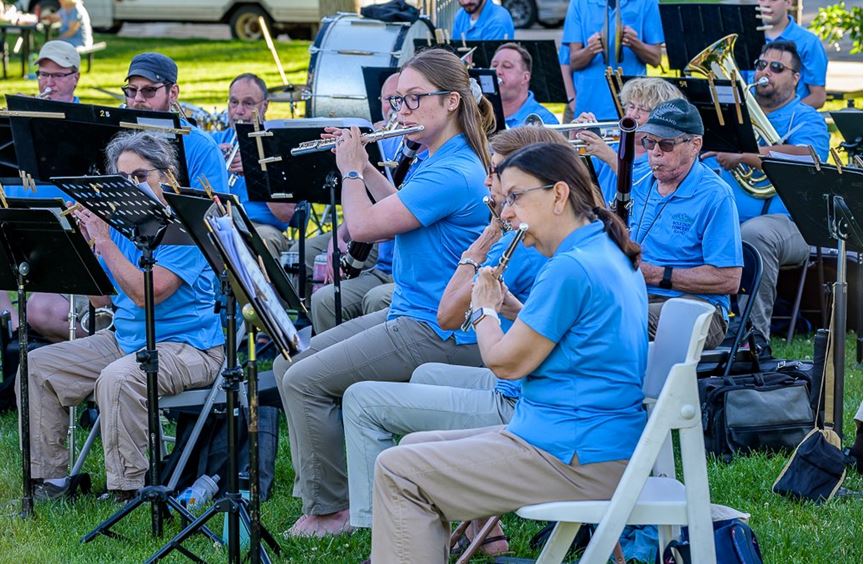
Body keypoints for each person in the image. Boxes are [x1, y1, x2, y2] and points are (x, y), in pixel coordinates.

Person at [369, 141, 648, 561]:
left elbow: (504, 363)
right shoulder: (601, 250)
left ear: (559, 194)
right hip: (583, 441)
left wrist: (482, 308)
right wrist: (512, 308)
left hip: (575, 456)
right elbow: (570, 343)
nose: (507, 213)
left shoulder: (571, 267)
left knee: (399, 472)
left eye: (516, 197)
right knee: (411, 447)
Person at [273, 48, 493, 537]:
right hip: (414, 311)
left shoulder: (452, 171)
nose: (402, 112)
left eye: (414, 100)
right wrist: (371, 169)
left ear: (452, 102)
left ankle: (333, 511)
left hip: (440, 329)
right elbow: (402, 212)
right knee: (289, 362)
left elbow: (366, 227)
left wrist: (351, 169)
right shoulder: (442, 158)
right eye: (398, 103)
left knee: (304, 380)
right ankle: (337, 493)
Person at [341, 127, 561, 541]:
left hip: (531, 406)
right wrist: (487, 245)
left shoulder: (536, 245)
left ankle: (383, 535)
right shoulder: (522, 233)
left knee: (360, 401)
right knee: (424, 375)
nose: (487, 183)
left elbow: (464, 327)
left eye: (497, 176)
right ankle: (484, 530)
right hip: (528, 389)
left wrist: (488, 307)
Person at [18, 131, 225, 501]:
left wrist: (107, 243)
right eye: (124, 179)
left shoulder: (184, 226)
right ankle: (47, 480)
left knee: (120, 377)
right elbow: (101, 301)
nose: (133, 186)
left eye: (141, 177)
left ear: (168, 175)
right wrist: (88, 243)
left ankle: (128, 488)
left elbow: (150, 293)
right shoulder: (121, 224)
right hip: (128, 339)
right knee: (37, 365)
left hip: (191, 347)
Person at [703, 41, 829, 353]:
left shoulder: (804, 118)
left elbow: (810, 157)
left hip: (790, 225)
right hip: (730, 216)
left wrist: (747, 154)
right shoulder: (732, 115)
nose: (765, 72)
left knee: (753, 234)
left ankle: (753, 338)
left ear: (796, 78)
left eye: (776, 67)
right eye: (761, 65)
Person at [308, 72, 419, 333]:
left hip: (407, 273)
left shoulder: (438, 162)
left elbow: (385, 221)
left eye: (407, 100)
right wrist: (340, 234)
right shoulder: (390, 143)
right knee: (323, 299)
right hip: (385, 265)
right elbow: (376, 203)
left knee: (376, 298)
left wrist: (352, 170)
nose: (399, 110)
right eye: (393, 100)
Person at [632, 99, 743, 349]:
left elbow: (729, 279)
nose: (655, 151)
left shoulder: (716, 195)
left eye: (666, 144)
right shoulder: (637, 183)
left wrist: (656, 275)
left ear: (695, 145)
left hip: (699, 307)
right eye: (649, 142)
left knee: (620, 321)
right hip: (640, 296)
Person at [211, 73, 297, 257]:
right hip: (217, 223)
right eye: (234, 102)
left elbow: (285, 214)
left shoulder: (279, 146)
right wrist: (211, 160)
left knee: (262, 241)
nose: (239, 111)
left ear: (264, 106)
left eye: (248, 103)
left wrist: (256, 170)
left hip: (259, 227)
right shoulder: (214, 142)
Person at [123, 52, 228, 194]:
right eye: (132, 90)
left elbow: (212, 212)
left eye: (149, 90)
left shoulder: (202, 147)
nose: (137, 99)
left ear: (172, 93)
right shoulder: (113, 134)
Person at [573, 77, 685, 203]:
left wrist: (609, 156)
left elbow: (642, 189)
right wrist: (574, 136)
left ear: (662, 117)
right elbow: (574, 175)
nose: (633, 114)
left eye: (643, 109)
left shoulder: (663, 155)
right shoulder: (613, 145)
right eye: (631, 106)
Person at [562, 0, 664, 120]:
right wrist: (590, 50)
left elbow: (656, 59)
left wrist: (635, 43)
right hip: (589, 106)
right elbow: (573, 62)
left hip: (631, 108)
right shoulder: (579, 3)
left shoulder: (648, 2)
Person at [750, 0, 828, 108]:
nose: (766, 4)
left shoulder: (809, 42)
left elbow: (818, 97)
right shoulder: (745, 38)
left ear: (788, 2)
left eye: (773, 0)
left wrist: (781, 114)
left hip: (792, 121)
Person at [490, 42, 558, 128]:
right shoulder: (478, 114)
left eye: (507, 66)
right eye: (494, 65)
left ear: (525, 77)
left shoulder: (546, 120)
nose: (497, 71)